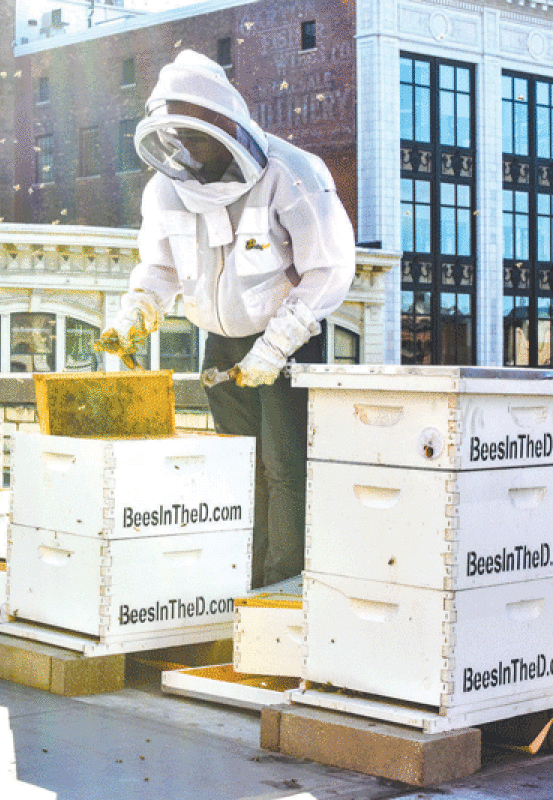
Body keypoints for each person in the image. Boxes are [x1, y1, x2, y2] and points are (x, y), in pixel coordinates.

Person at [97, 50, 356, 588]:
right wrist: (137, 312)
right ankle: (245, 579)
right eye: (180, 139)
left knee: (286, 469)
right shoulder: (167, 188)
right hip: (219, 343)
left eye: (196, 139)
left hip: (290, 341)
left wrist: (276, 345)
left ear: (225, 127)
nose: (188, 150)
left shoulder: (292, 173)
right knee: (239, 467)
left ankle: (285, 585)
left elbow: (330, 269)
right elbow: (161, 266)